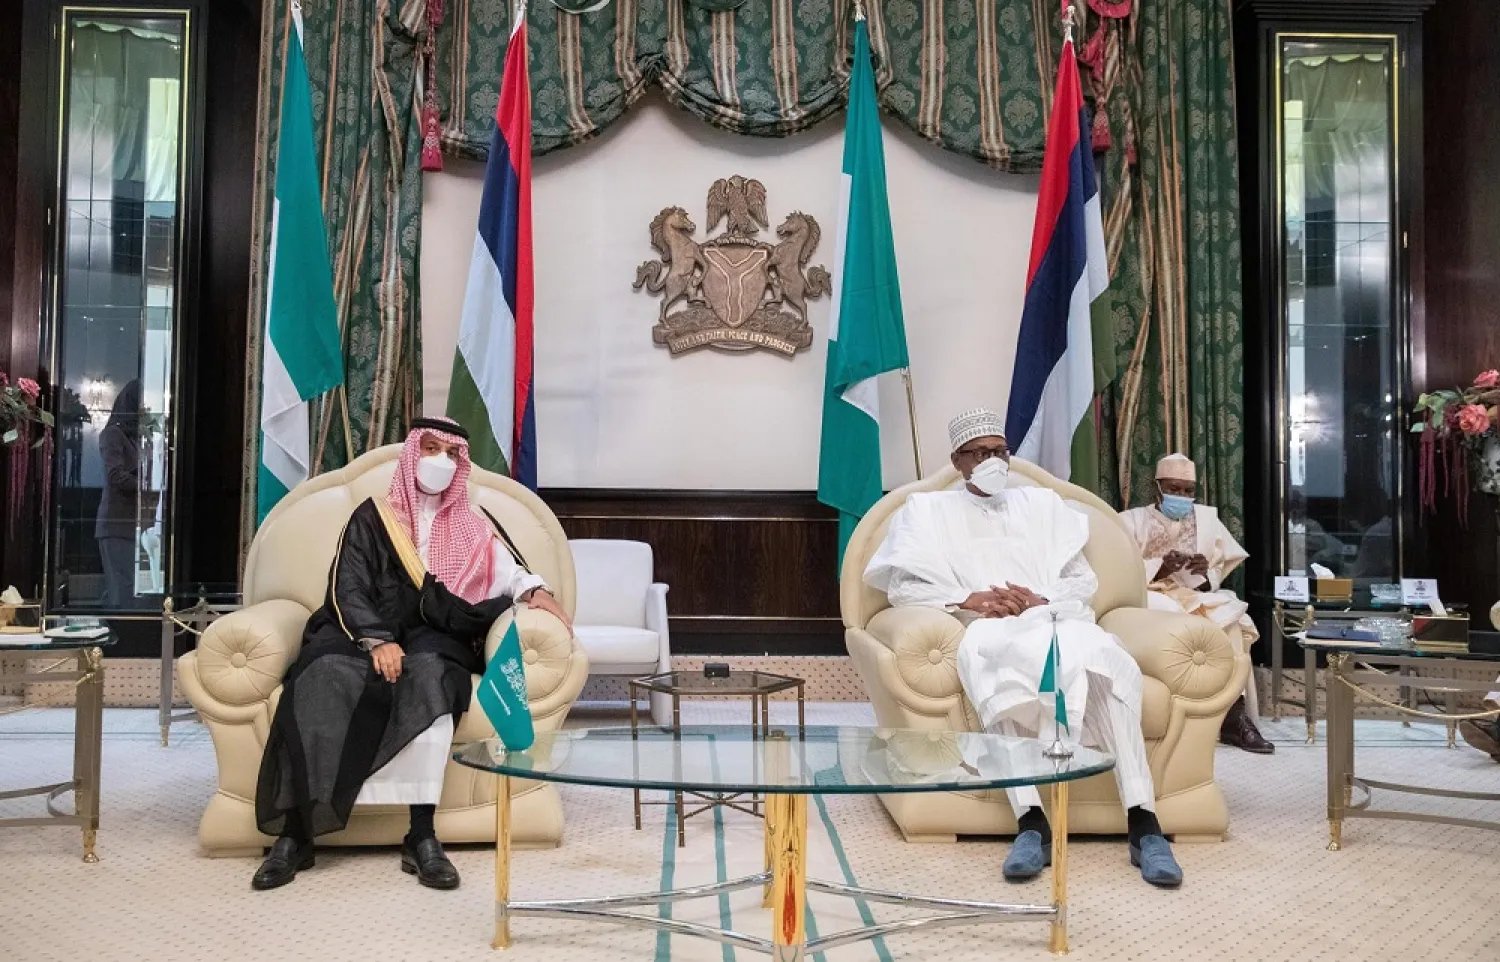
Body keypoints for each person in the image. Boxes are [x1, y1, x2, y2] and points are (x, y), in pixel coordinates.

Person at [864, 408, 1183, 888]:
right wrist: (968, 598)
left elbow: (1081, 580)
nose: (995, 461)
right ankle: (1030, 821)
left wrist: (1041, 598)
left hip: (1054, 617)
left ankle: (1143, 821)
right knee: (995, 665)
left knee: (1104, 662)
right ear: (957, 460)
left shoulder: (1043, 505)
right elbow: (904, 590)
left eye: (1001, 451)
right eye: (982, 453)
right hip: (987, 626)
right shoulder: (927, 511)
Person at [251, 417, 572, 892]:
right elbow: (349, 585)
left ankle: (421, 835)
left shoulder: (471, 523)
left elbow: (508, 570)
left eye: (451, 453)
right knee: (321, 673)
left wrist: (536, 590)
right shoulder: (371, 515)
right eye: (430, 448)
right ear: (410, 455)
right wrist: (378, 639)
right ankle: (296, 834)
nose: (440, 460)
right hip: (359, 629)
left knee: (434, 677)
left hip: (433, 632)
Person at [1118, 454, 1273, 754]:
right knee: (1178, 617)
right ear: (1157, 489)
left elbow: (1216, 572)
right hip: (1149, 594)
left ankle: (1234, 718)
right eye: (1175, 489)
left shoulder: (1206, 520)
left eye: (1189, 490)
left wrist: (1204, 574)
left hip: (1192, 593)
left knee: (1231, 615)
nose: (1183, 496)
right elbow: (1119, 569)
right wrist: (1160, 568)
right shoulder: (1131, 521)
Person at [96, 380, 143, 607]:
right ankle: (112, 640)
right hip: (115, 526)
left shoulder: (133, 437)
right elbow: (115, 476)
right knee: (121, 593)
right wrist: (147, 485)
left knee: (128, 592)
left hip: (130, 525)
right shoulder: (112, 434)